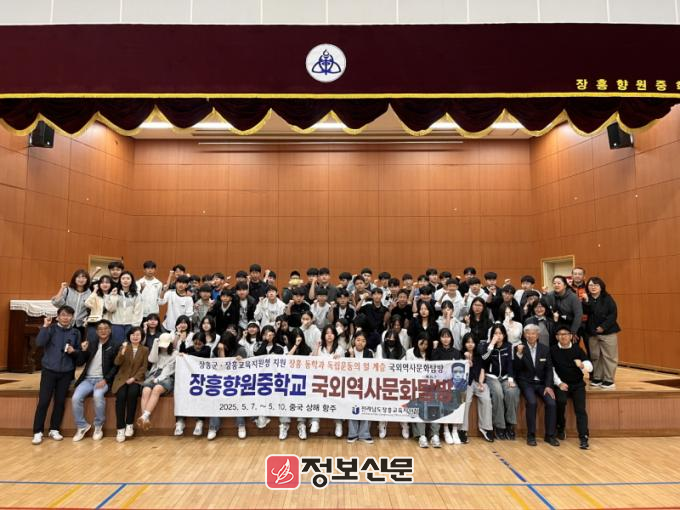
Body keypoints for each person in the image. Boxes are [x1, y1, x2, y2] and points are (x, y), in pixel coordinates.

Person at [32, 306, 86, 445]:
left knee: (60, 402)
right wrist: (45, 326)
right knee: (44, 401)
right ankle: (37, 431)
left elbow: (78, 354)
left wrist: (74, 351)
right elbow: (39, 342)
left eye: (69, 315)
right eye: (63, 315)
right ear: (58, 316)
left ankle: (54, 429)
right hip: (49, 370)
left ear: (72, 317)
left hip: (66, 372)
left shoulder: (75, 332)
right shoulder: (50, 329)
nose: (66, 318)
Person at [71, 319, 118, 442]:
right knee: (76, 398)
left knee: (97, 396)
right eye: (100, 329)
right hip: (87, 379)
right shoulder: (91, 343)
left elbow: (116, 366)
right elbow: (79, 362)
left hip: (102, 379)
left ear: (110, 330)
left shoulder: (115, 345)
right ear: (96, 332)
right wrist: (83, 351)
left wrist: (106, 380)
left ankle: (98, 426)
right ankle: (82, 426)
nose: (103, 331)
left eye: (105, 328)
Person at [514, 324, 559, 447]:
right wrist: (519, 354)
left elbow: (549, 369)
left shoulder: (545, 349)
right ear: (524, 335)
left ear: (538, 335)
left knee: (551, 403)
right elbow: (516, 368)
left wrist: (548, 386)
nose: (531, 335)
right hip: (526, 382)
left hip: (542, 383)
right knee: (532, 402)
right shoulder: (519, 348)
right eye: (528, 333)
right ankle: (531, 435)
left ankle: (550, 435)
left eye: (533, 333)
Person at [551, 326, 592, 450]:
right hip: (561, 384)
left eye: (565, 334)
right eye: (560, 334)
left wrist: (582, 365)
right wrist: (559, 383)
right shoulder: (553, 350)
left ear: (570, 336)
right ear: (556, 337)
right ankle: (560, 427)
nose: (563, 336)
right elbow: (551, 370)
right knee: (560, 402)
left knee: (580, 410)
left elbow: (590, 367)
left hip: (577, 384)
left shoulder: (577, 349)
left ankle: (584, 437)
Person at [478, 323, 519, 440]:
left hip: (505, 377)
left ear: (504, 335)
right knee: (498, 393)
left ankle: (510, 424)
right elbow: (484, 359)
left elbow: (510, 363)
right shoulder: (486, 346)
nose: (498, 336)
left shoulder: (509, 346)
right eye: (495, 333)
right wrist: (491, 344)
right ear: (492, 335)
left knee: (512, 392)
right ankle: (499, 425)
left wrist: (510, 379)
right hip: (492, 377)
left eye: (500, 333)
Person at [207, 331, 249, 440]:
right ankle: (213, 427)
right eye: (223, 343)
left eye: (226, 344)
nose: (224, 346)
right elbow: (220, 368)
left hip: (237, 382)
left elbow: (246, 368)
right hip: (221, 382)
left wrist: (241, 361)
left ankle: (241, 425)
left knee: (239, 398)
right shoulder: (216, 350)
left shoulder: (240, 349)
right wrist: (221, 351)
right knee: (214, 397)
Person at [583, 277, 621, 390]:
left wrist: (603, 327)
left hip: (608, 332)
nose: (593, 287)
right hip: (592, 333)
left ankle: (609, 379)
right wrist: (586, 302)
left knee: (609, 357)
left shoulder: (607, 298)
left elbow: (613, 314)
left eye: (596, 285)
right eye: (590, 285)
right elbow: (585, 312)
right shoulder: (586, 299)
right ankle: (597, 377)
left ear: (601, 287)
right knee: (595, 356)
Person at [112, 326, 149, 442]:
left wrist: (134, 378)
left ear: (142, 337)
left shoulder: (145, 350)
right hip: (122, 379)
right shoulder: (124, 347)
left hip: (136, 379)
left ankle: (129, 424)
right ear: (129, 336)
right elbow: (117, 362)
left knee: (132, 394)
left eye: (138, 335)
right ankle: (120, 428)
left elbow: (144, 367)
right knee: (121, 396)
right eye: (133, 335)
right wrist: (122, 352)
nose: (135, 337)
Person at [137, 332, 177, 431]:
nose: (163, 347)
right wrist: (155, 345)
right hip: (154, 374)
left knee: (157, 389)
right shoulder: (157, 351)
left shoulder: (174, 353)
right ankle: (145, 419)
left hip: (167, 376)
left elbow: (168, 370)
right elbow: (152, 360)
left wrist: (159, 379)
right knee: (145, 390)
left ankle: (144, 416)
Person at [310, 325, 345, 437]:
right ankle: (315, 421)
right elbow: (312, 362)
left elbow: (344, 366)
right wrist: (316, 347)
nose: (329, 335)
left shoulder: (340, 349)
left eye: (331, 333)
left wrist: (339, 359)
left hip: (335, 381)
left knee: (338, 398)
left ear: (335, 335)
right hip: (321, 379)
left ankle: (338, 423)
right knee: (315, 395)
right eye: (327, 333)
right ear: (323, 335)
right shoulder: (320, 348)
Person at [375, 330, 409, 440]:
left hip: (398, 381)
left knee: (403, 402)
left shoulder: (402, 350)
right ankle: (382, 424)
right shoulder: (380, 347)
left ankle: (405, 424)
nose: (391, 340)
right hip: (383, 380)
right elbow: (379, 363)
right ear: (385, 338)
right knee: (382, 402)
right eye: (389, 338)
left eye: (394, 338)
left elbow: (403, 367)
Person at [460, 333, 494, 443]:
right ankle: (462, 430)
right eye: (468, 342)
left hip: (478, 381)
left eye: (472, 342)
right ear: (464, 343)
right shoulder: (460, 354)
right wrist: (467, 359)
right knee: (466, 401)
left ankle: (486, 428)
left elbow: (483, 369)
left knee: (486, 399)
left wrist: (481, 382)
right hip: (466, 383)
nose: (470, 344)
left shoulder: (480, 355)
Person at [432, 328, 463, 444]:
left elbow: (461, 368)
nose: (446, 339)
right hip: (440, 384)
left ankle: (454, 430)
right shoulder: (436, 351)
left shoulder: (456, 352)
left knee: (458, 398)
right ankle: (446, 430)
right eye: (443, 337)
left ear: (451, 338)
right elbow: (434, 368)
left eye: (448, 336)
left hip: (454, 384)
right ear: (440, 338)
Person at [346, 331, 374, 444]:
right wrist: (351, 356)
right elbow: (347, 370)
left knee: (366, 407)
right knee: (352, 408)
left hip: (365, 385)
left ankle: (364, 434)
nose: (360, 343)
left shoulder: (369, 353)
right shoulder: (347, 353)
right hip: (351, 386)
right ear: (354, 341)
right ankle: (352, 434)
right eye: (358, 340)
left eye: (363, 341)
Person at [106, 270, 143, 345]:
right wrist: (113, 296)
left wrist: (135, 326)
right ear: (120, 280)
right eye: (123, 278)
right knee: (116, 345)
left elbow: (138, 311)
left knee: (129, 346)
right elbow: (110, 309)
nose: (125, 280)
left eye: (128, 278)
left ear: (132, 280)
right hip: (116, 324)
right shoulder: (114, 292)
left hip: (130, 325)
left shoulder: (137, 294)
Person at [51, 269, 91, 334]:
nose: (81, 279)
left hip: (80, 325)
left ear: (87, 279)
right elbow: (56, 303)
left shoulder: (89, 293)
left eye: (84, 277)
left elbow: (90, 308)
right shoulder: (67, 290)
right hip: (65, 323)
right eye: (78, 277)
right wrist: (62, 288)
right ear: (74, 279)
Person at [83, 275, 113, 342]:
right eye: (102, 282)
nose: (104, 284)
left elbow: (111, 309)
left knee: (105, 343)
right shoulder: (95, 295)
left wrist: (109, 296)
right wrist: (95, 290)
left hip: (107, 324)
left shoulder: (113, 295)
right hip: (94, 323)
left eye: (107, 282)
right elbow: (87, 303)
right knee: (91, 343)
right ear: (99, 284)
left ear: (111, 284)